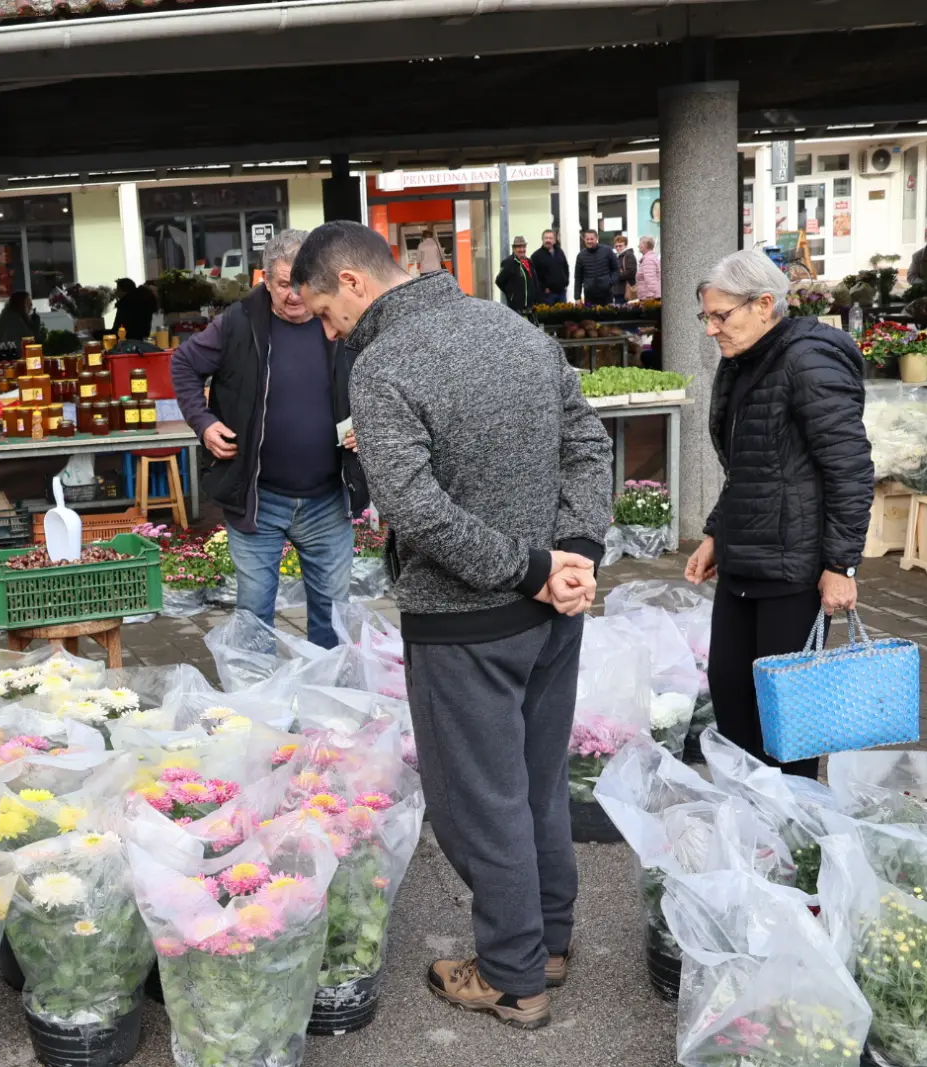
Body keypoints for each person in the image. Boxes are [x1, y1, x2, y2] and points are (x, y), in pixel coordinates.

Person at [292, 220, 612, 1030]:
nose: (331, 331)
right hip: (550, 610)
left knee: (478, 802)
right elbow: (587, 443)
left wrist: (537, 567)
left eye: (327, 313)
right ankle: (547, 942)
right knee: (536, 783)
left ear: (356, 284)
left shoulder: (383, 363)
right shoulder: (515, 328)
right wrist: (572, 552)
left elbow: (415, 512)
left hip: (467, 620)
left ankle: (511, 976)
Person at [684, 249, 873, 780]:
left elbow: (850, 470)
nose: (711, 329)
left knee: (788, 719)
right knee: (731, 695)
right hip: (746, 561)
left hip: (795, 568)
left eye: (721, 316)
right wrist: (716, 534)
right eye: (707, 316)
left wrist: (842, 565)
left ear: (764, 304)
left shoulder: (809, 360)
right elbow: (750, 466)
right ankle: (750, 829)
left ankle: (793, 837)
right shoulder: (744, 361)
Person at [171, 229, 368, 649]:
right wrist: (204, 423)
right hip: (258, 498)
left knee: (332, 614)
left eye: (302, 283)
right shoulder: (238, 323)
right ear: (264, 277)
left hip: (328, 499)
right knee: (254, 615)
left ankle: (329, 705)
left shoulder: (340, 316)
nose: (295, 295)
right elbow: (184, 364)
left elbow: (379, 375)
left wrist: (367, 423)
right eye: (283, 284)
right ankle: (256, 706)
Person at [495, 237, 542, 312]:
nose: (522, 250)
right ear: (514, 249)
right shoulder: (508, 262)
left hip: (530, 306)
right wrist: (511, 295)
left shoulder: (529, 262)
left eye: (523, 247)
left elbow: (534, 281)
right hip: (516, 307)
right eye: (519, 247)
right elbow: (499, 281)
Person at [574, 230, 621, 306]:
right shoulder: (581, 256)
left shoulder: (607, 251)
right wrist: (577, 297)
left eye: (592, 239)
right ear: (584, 239)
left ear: (597, 238)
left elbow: (616, 269)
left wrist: (610, 283)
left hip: (606, 294)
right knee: (591, 317)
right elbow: (578, 278)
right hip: (589, 295)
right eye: (587, 239)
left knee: (608, 317)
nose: (589, 241)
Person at [530, 230, 570, 303]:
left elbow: (565, 267)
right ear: (542, 239)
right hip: (547, 295)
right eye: (546, 238)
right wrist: (543, 288)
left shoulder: (559, 251)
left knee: (563, 314)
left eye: (550, 238)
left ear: (554, 240)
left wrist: (566, 282)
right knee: (548, 314)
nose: (548, 240)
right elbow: (533, 276)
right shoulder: (536, 256)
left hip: (561, 293)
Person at [613, 235, 638, 304]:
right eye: (616, 246)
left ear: (625, 245)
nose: (618, 248)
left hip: (626, 291)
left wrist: (616, 274)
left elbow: (631, 272)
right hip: (618, 291)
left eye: (620, 246)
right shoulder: (617, 256)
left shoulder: (629, 255)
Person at [635, 236, 662, 301]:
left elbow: (651, 280)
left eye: (640, 243)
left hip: (649, 298)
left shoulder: (648, 260)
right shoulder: (650, 258)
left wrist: (650, 296)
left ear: (646, 245)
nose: (638, 246)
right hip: (650, 296)